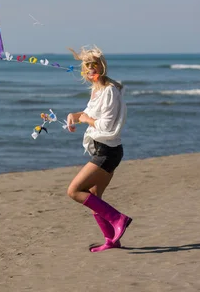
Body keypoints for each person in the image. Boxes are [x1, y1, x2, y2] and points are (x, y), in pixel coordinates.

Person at [65, 46, 131, 252]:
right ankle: (111, 239)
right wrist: (75, 116)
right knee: (94, 195)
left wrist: (86, 119)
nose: (89, 71)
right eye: (86, 67)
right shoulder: (97, 91)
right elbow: (88, 114)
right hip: (103, 150)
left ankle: (118, 218)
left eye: (93, 67)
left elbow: (106, 125)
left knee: (74, 191)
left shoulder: (110, 91)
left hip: (107, 151)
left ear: (101, 68)